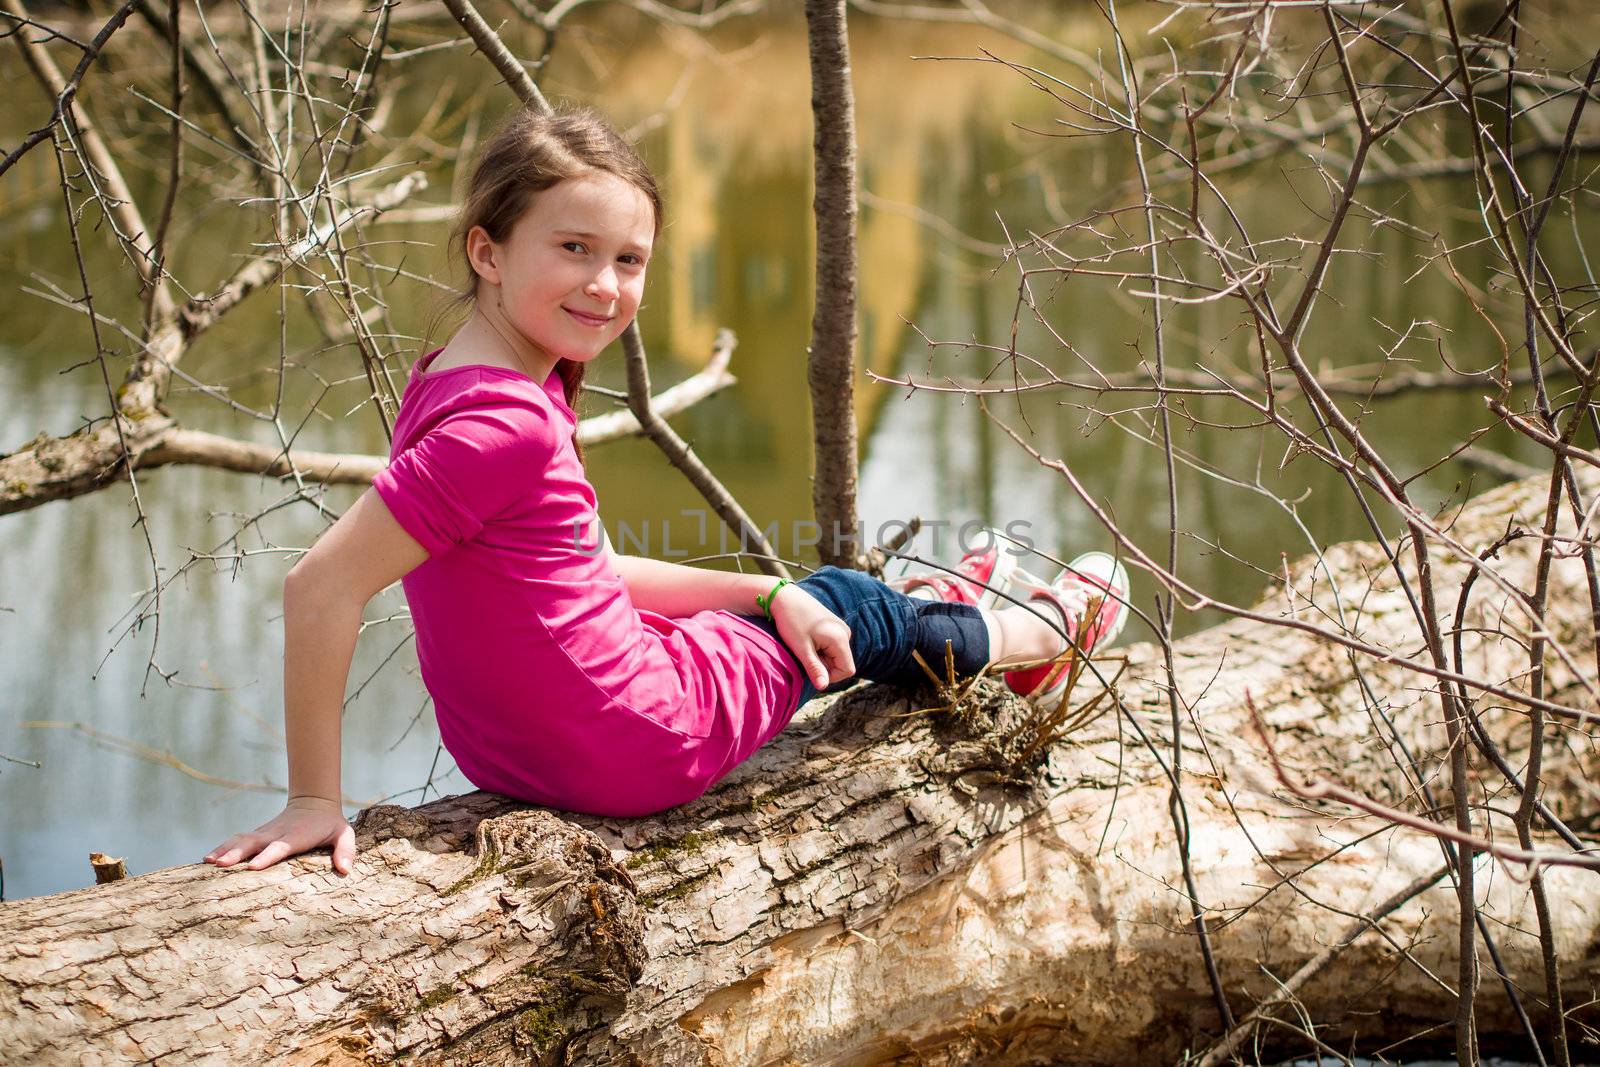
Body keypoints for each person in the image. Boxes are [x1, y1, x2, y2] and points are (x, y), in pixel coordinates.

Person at [202, 105, 1130, 878]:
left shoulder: (450, 382)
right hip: (634, 747)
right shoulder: (511, 427)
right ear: (487, 251)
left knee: (792, 602)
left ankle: (932, 610)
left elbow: (587, 571)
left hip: (513, 751)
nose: (604, 286)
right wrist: (314, 800)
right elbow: (317, 585)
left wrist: (767, 591)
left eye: (631, 259)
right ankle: (1040, 636)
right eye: (573, 247)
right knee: (846, 601)